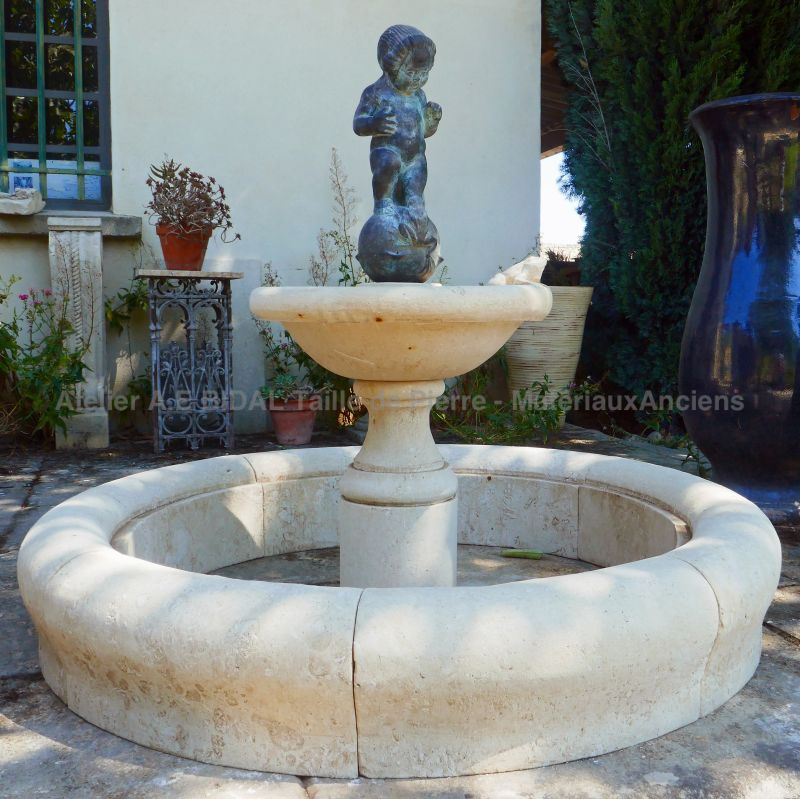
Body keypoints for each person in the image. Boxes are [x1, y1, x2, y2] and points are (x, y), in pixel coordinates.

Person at [353, 24, 442, 244]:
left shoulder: (419, 97)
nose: (416, 80)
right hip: (388, 151)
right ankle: (384, 204)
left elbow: (424, 133)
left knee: (416, 185)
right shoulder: (376, 93)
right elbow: (358, 124)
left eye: (423, 74)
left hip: (415, 158)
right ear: (391, 67)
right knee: (389, 165)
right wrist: (374, 122)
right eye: (411, 73)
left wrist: (431, 122)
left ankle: (415, 213)